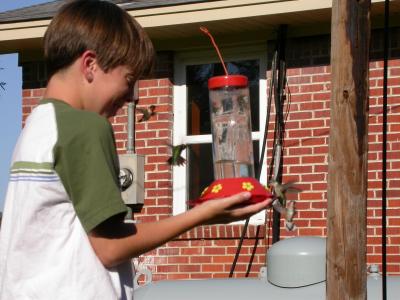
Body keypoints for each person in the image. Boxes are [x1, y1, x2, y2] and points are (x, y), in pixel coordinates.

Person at [0, 1, 271, 299]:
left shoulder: (35, 127)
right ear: (90, 64)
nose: (131, 97)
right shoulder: (84, 126)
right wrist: (202, 216)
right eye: (129, 81)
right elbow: (110, 247)